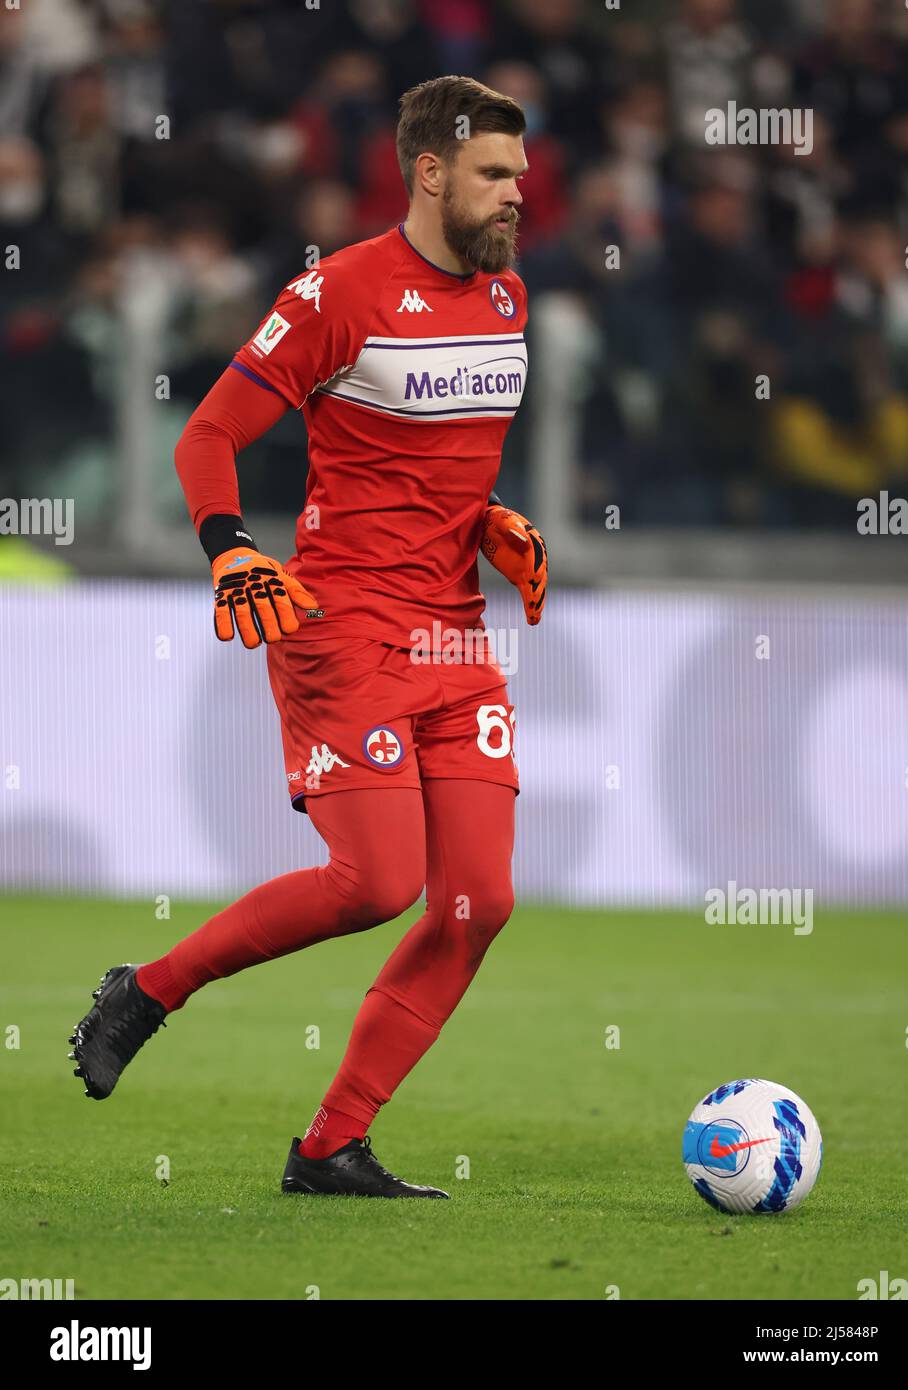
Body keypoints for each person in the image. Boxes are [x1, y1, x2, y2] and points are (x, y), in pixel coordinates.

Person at [68, 75, 548, 1200]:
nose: (516, 195)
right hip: (340, 628)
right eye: (494, 175)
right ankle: (149, 987)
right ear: (428, 173)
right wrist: (232, 550)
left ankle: (331, 1145)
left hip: (453, 637)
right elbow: (208, 436)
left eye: (520, 177)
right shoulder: (338, 291)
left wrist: (490, 524)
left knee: (478, 900)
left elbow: (431, 469)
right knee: (375, 881)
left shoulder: (508, 300)